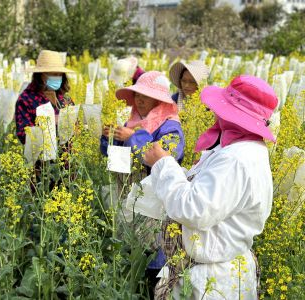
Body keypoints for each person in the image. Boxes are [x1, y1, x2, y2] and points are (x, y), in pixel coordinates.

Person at [143, 75, 278, 299]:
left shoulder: (236, 159)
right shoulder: (244, 149)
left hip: (212, 281)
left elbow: (194, 209)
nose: (216, 112)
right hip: (217, 271)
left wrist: (163, 164)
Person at [100, 71, 185, 297]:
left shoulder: (170, 127)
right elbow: (115, 161)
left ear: (159, 101)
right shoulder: (132, 122)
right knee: (130, 258)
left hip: (155, 207)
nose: (139, 100)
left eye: (145, 97)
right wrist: (109, 139)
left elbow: (166, 157)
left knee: (153, 261)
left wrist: (132, 137)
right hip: (130, 202)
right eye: (137, 95)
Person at [15, 50, 74, 190]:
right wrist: (48, 122)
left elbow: (75, 126)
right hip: (41, 168)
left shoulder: (64, 98)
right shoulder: (26, 99)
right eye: (53, 74)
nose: (57, 77)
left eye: (59, 74)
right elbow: (24, 135)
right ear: (41, 75)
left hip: (66, 167)